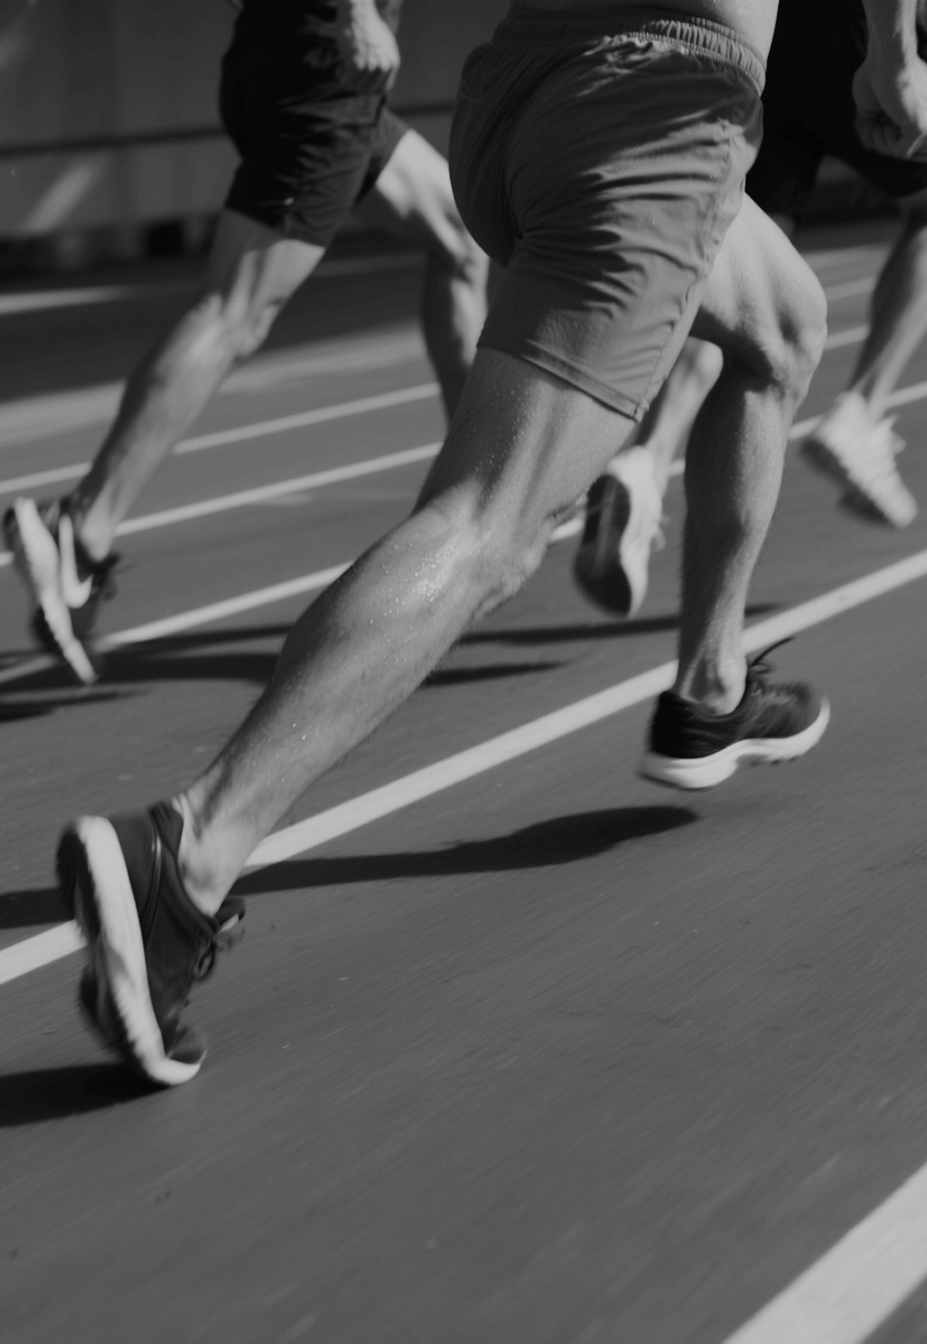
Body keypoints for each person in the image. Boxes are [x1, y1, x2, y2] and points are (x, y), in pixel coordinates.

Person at [53, 0, 851, 1087]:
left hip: (520, 88)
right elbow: (890, 76)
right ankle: (188, 851)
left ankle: (710, 690)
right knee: (490, 526)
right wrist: (895, 58)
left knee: (787, 325)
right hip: (661, 105)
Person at [3, 0, 489, 685]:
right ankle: (81, 526)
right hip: (325, 68)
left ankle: (478, 486)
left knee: (461, 241)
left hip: (294, 58)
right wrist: (354, 12)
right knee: (234, 312)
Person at [576, 0, 927, 621]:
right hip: (865, 28)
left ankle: (645, 462)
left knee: (744, 278)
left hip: (771, 39)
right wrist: (896, 59)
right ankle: (863, 411)